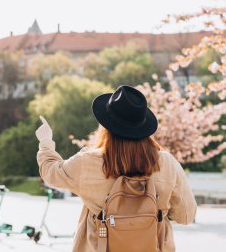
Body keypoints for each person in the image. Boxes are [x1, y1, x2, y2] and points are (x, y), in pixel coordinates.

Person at [36, 85, 197, 252]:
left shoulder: (88, 162)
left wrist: (46, 142)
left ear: (106, 126)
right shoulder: (167, 163)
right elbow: (186, 216)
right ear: (143, 128)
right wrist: (151, 215)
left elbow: (51, 172)